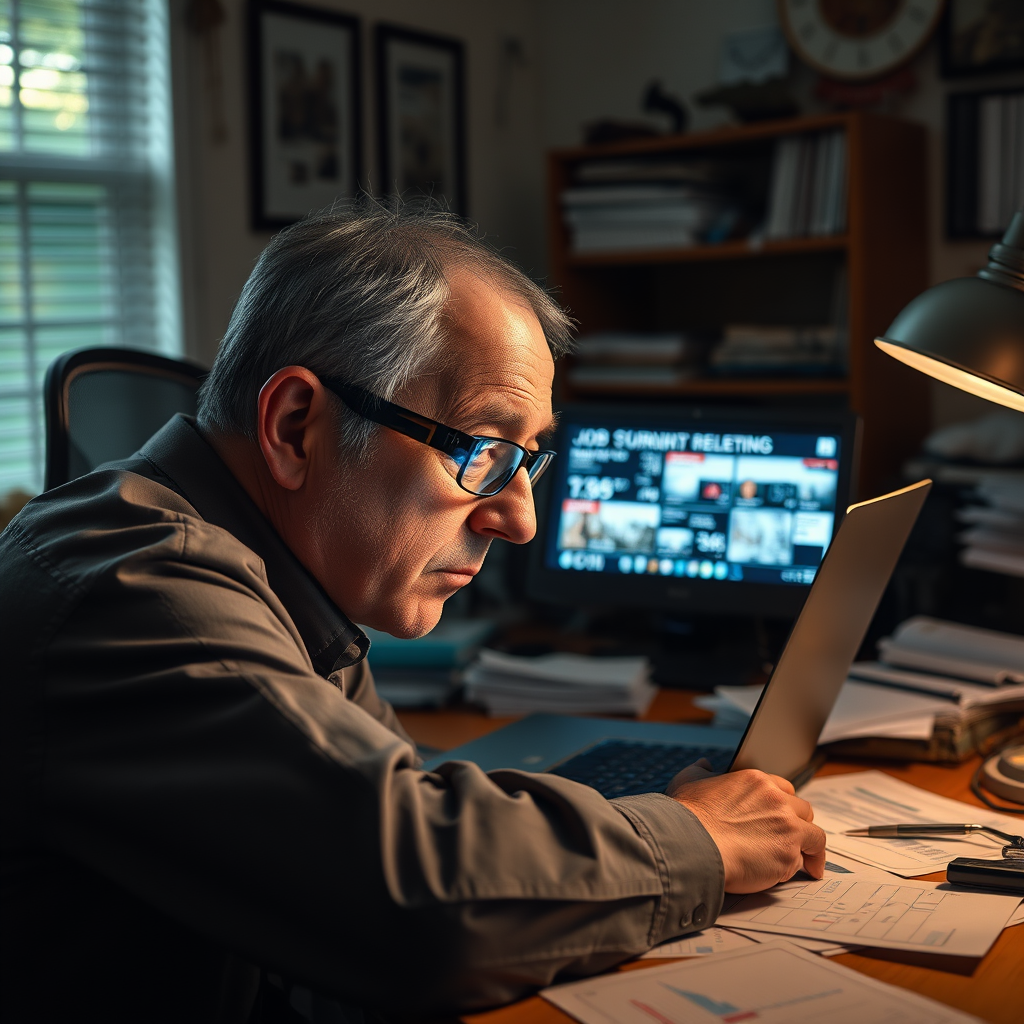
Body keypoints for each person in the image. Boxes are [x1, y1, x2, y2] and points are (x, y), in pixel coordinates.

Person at [0, 203, 825, 1023]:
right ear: (295, 426)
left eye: (530, 458)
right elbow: (417, 896)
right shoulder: (133, 587)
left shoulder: (292, 585)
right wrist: (698, 839)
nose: (520, 517)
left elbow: (391, 813)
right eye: (482, 450)